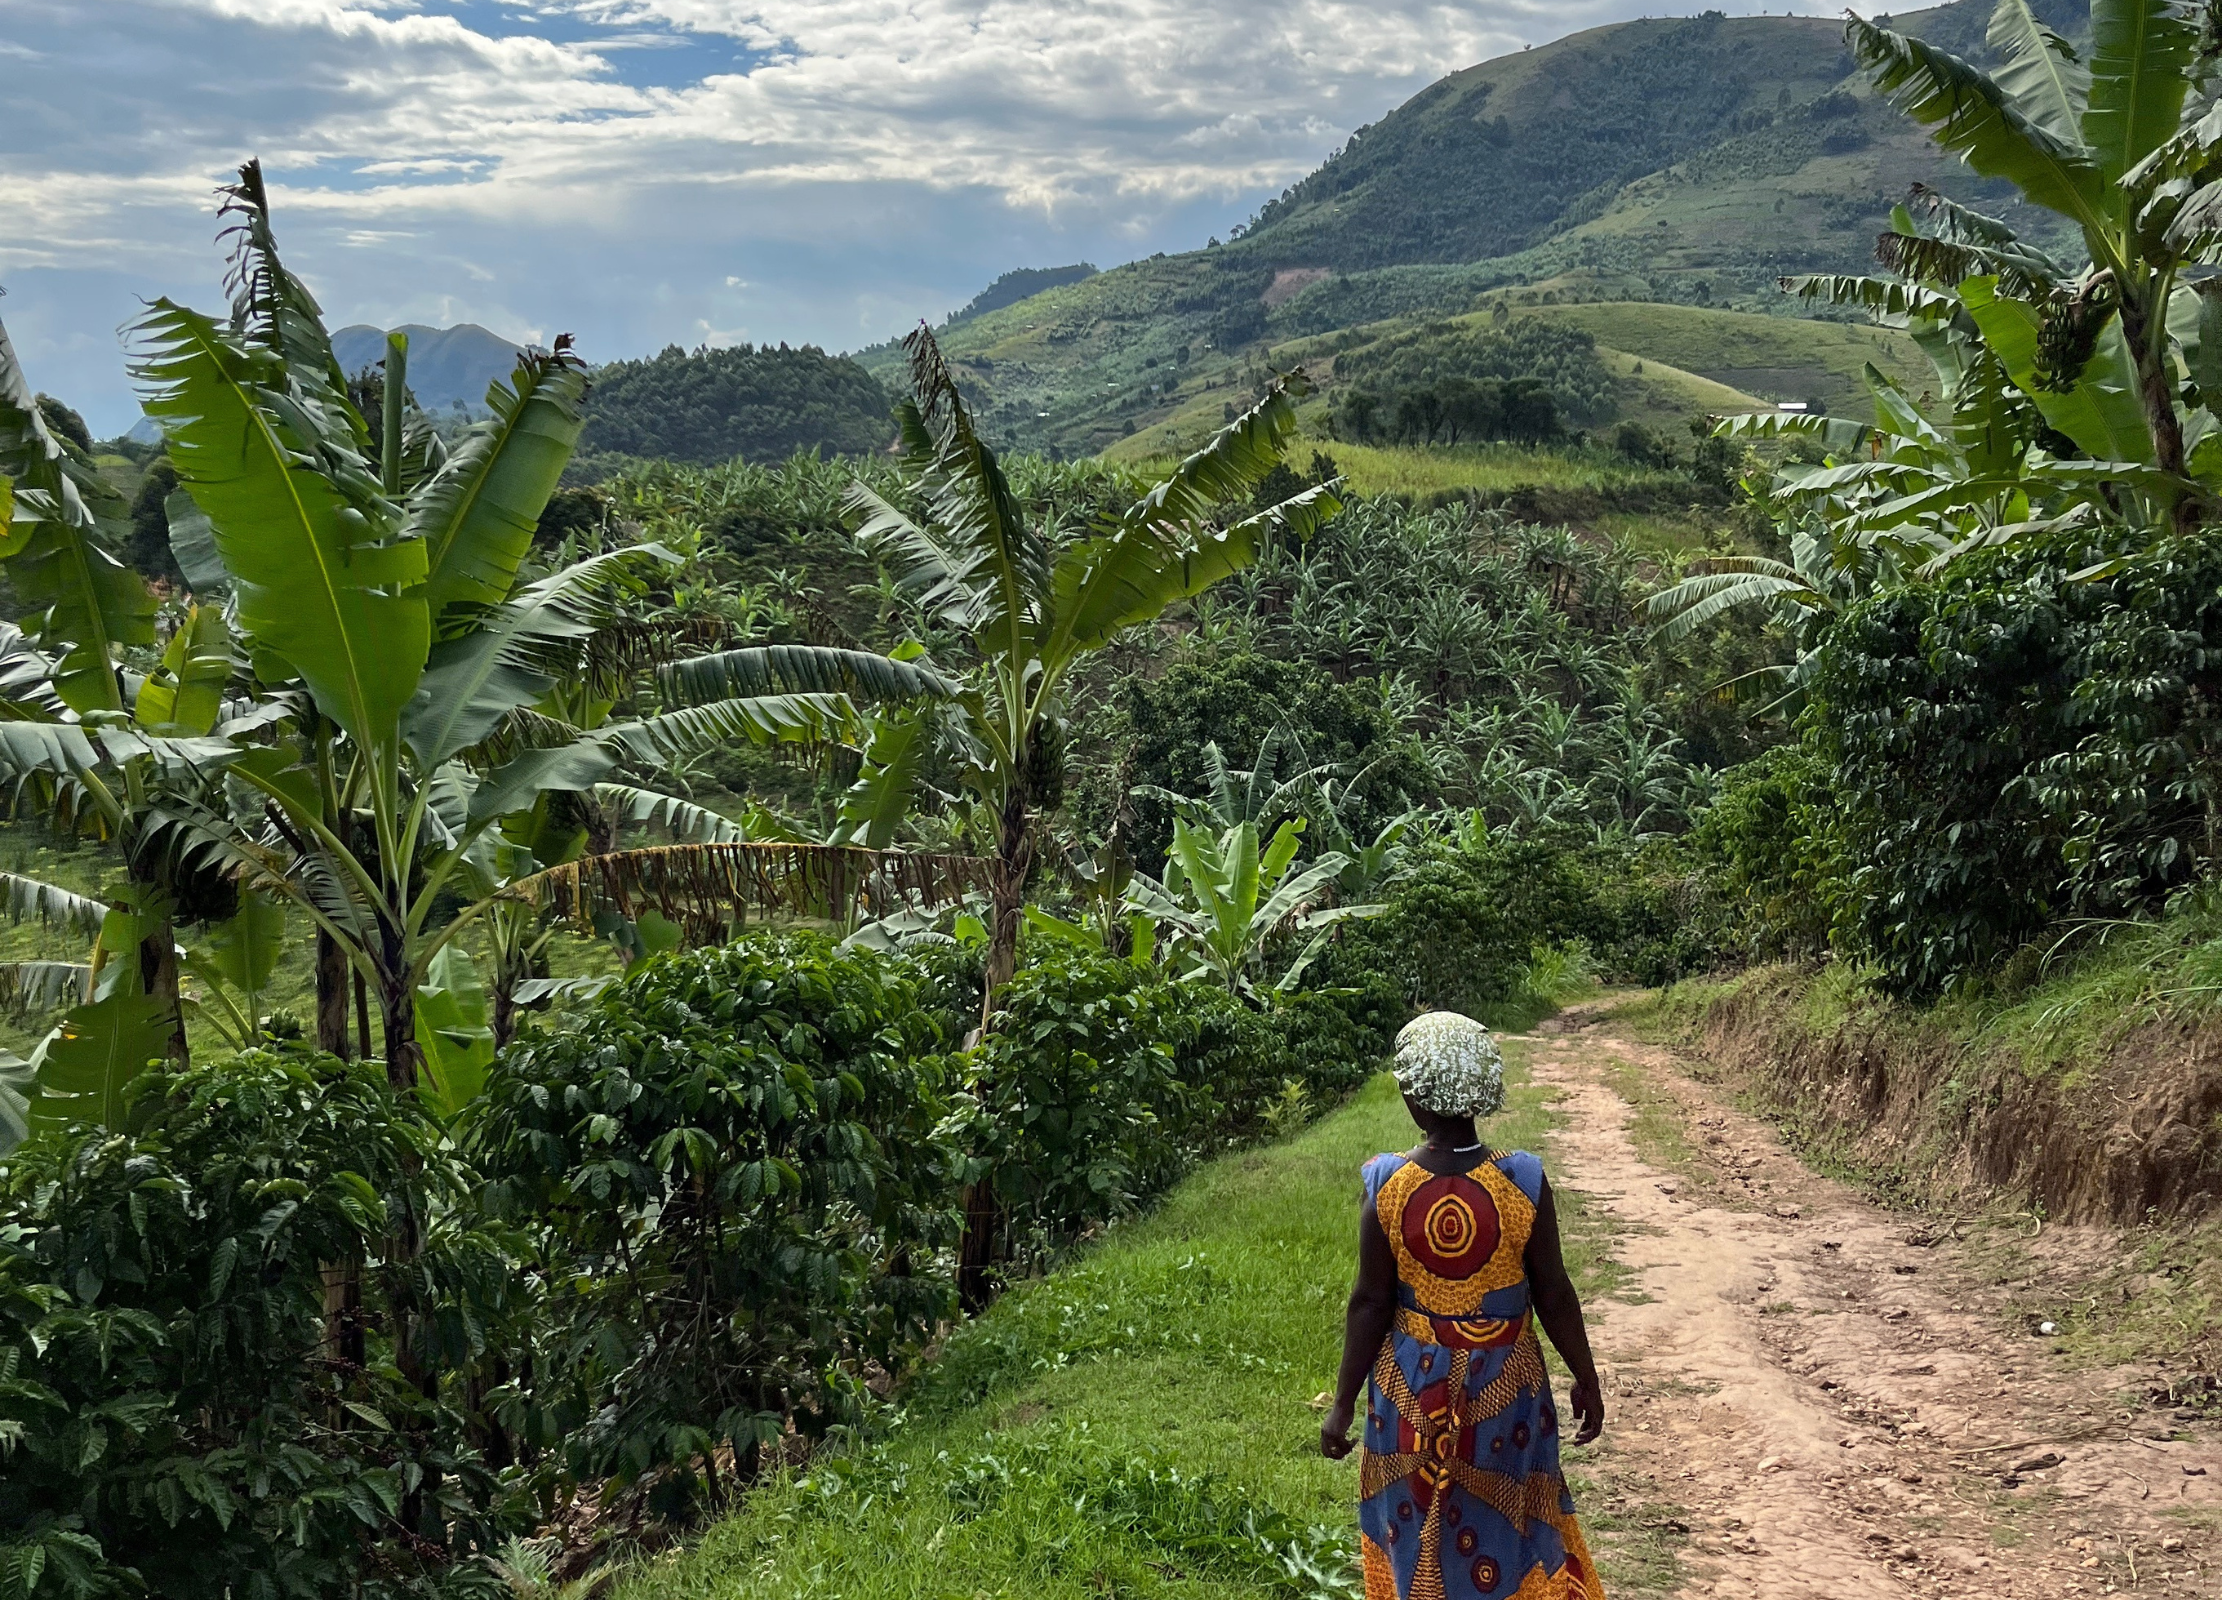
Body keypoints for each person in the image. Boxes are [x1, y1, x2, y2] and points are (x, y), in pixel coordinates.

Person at [1320, 1011, 1607, 1600]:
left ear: (1414, 1094)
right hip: (1506, 1389)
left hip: (1408, 1390)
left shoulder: (1387, 1185)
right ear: (1479, 1089)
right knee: (1507, 1518)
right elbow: (1553, 1291)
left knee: (1411, 1519)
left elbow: (1371, 1302)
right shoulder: (1524, 1180)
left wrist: (1343, 1402)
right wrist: (1586, 1376)